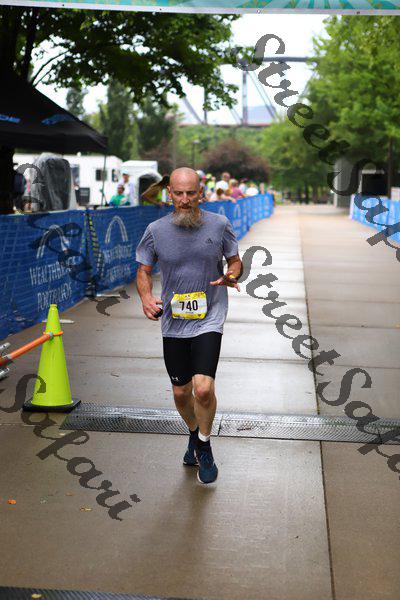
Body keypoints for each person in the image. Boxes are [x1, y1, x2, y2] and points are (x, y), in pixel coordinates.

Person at [135, 167, 242, 484]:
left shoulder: (219, 224)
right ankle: (194, 434)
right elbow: (143, 270)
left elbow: (235, 260)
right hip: (174, 320)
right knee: (181, 393)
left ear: (201, 193)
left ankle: (204, 446)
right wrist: (146, 297)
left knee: (203, 388)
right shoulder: (155, 230)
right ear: (169, 193)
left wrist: (232, 274)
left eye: (190, 193)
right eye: (178, 193)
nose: (184, 199)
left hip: (211, 315)